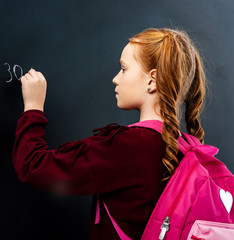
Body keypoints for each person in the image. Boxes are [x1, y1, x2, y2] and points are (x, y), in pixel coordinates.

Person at [12, 27, 207, 239]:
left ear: (152, 80)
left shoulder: (126, 146)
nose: (115, 78)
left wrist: (33, 106)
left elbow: (32, 165)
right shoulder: (188, 148)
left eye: (123, 69)